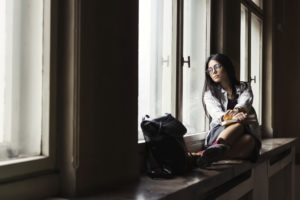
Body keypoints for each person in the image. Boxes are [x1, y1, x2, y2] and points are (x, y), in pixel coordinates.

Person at [196, 53, 261, 167]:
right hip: (220, 132)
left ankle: (202, 156)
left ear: (226, 67)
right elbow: (217, 114)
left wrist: (237, 111)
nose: (213, 72)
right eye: (210, 69)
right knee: (239, 125)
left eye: (217, 67)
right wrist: (234, 118)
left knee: (250, 141)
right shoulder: (209, 94)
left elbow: (245, 102)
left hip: (243, 134)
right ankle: (214, 148)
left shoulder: (244, 87)